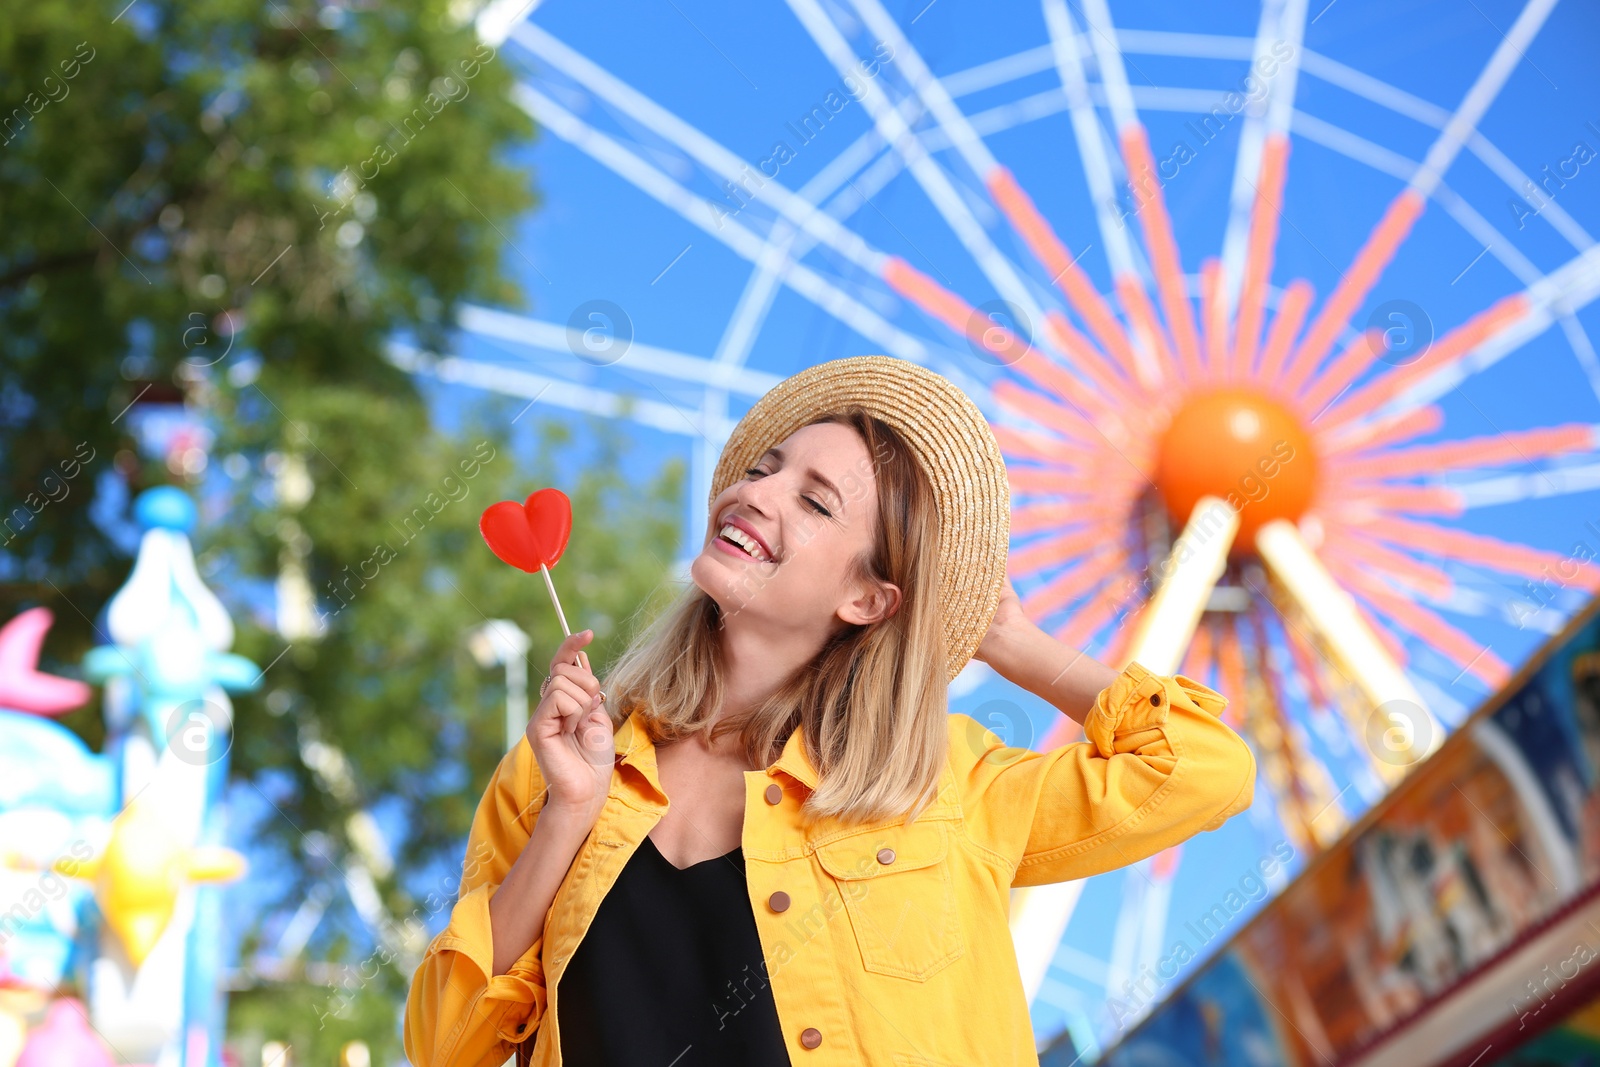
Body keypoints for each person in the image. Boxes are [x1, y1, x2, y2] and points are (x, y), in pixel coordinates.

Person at [403, 355, 1256, 1067]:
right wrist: (570, 815)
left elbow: (1203, 766)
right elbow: (444, 1044)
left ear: (868, 598)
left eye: (814, 502)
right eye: (764, 467)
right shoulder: (562, 767)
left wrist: (1011, 642)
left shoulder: (943, 782)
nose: (758, 493)